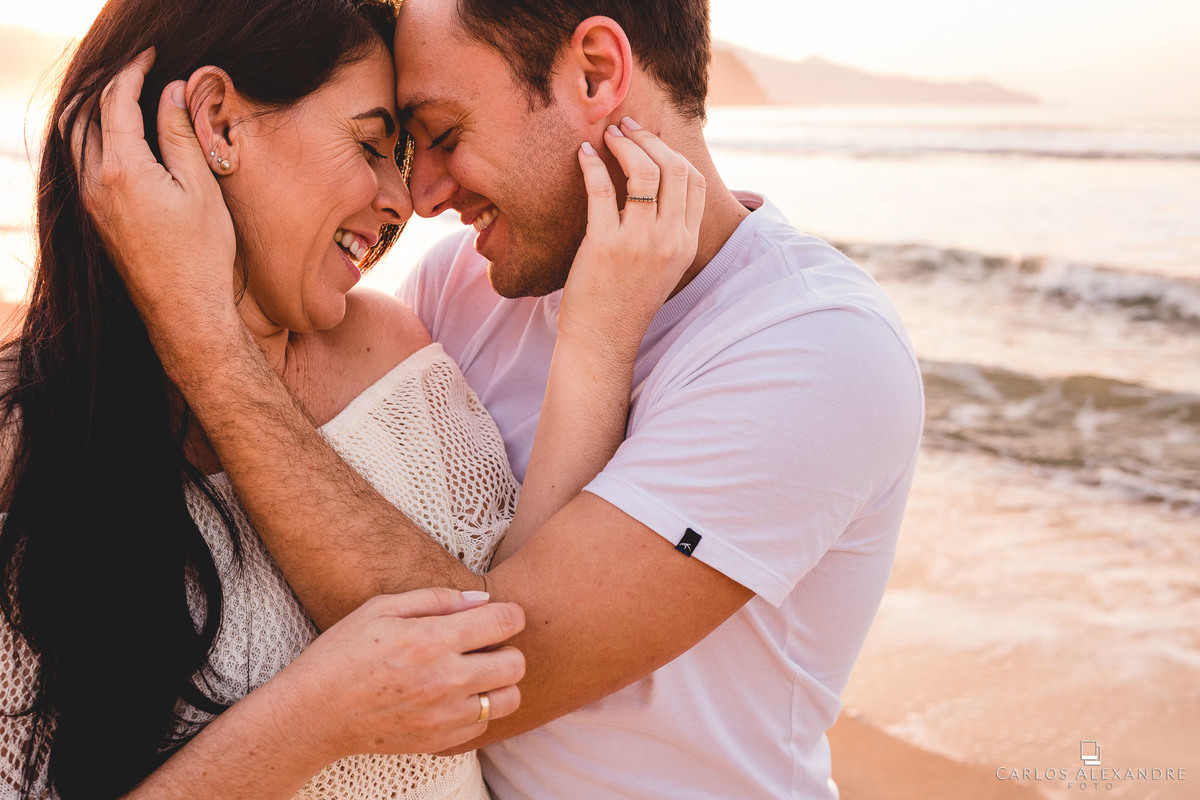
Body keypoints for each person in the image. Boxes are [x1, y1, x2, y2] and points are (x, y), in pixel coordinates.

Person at [80, 0, 925, 797]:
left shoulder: (814, 346)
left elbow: (493, 673)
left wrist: (193, 321)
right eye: (403, 146)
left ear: (596, 73)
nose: (422, 197)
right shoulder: (461, 284)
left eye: (444, 134)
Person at [1, 0, 702, 797]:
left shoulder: (388, 354)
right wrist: (313, 718)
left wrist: (597, 334)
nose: (405, 199)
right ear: (220, 123)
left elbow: (514, 652)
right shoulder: (21, 442)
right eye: (371, 145)